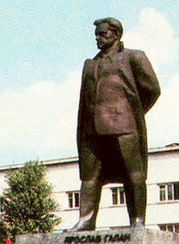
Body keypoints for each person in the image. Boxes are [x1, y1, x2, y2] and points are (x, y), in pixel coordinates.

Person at [67, 17, 161, 232]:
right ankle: (86, 220)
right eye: (96, 35)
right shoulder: (90, 64)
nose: (98, 39)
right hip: (92, 129)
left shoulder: (133, 57)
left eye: (102, 34)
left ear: (116, 35)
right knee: (90, 176)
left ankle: (137, 221)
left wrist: (130, 112)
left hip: (124, 126)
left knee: (133, 173)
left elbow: (153, 90)